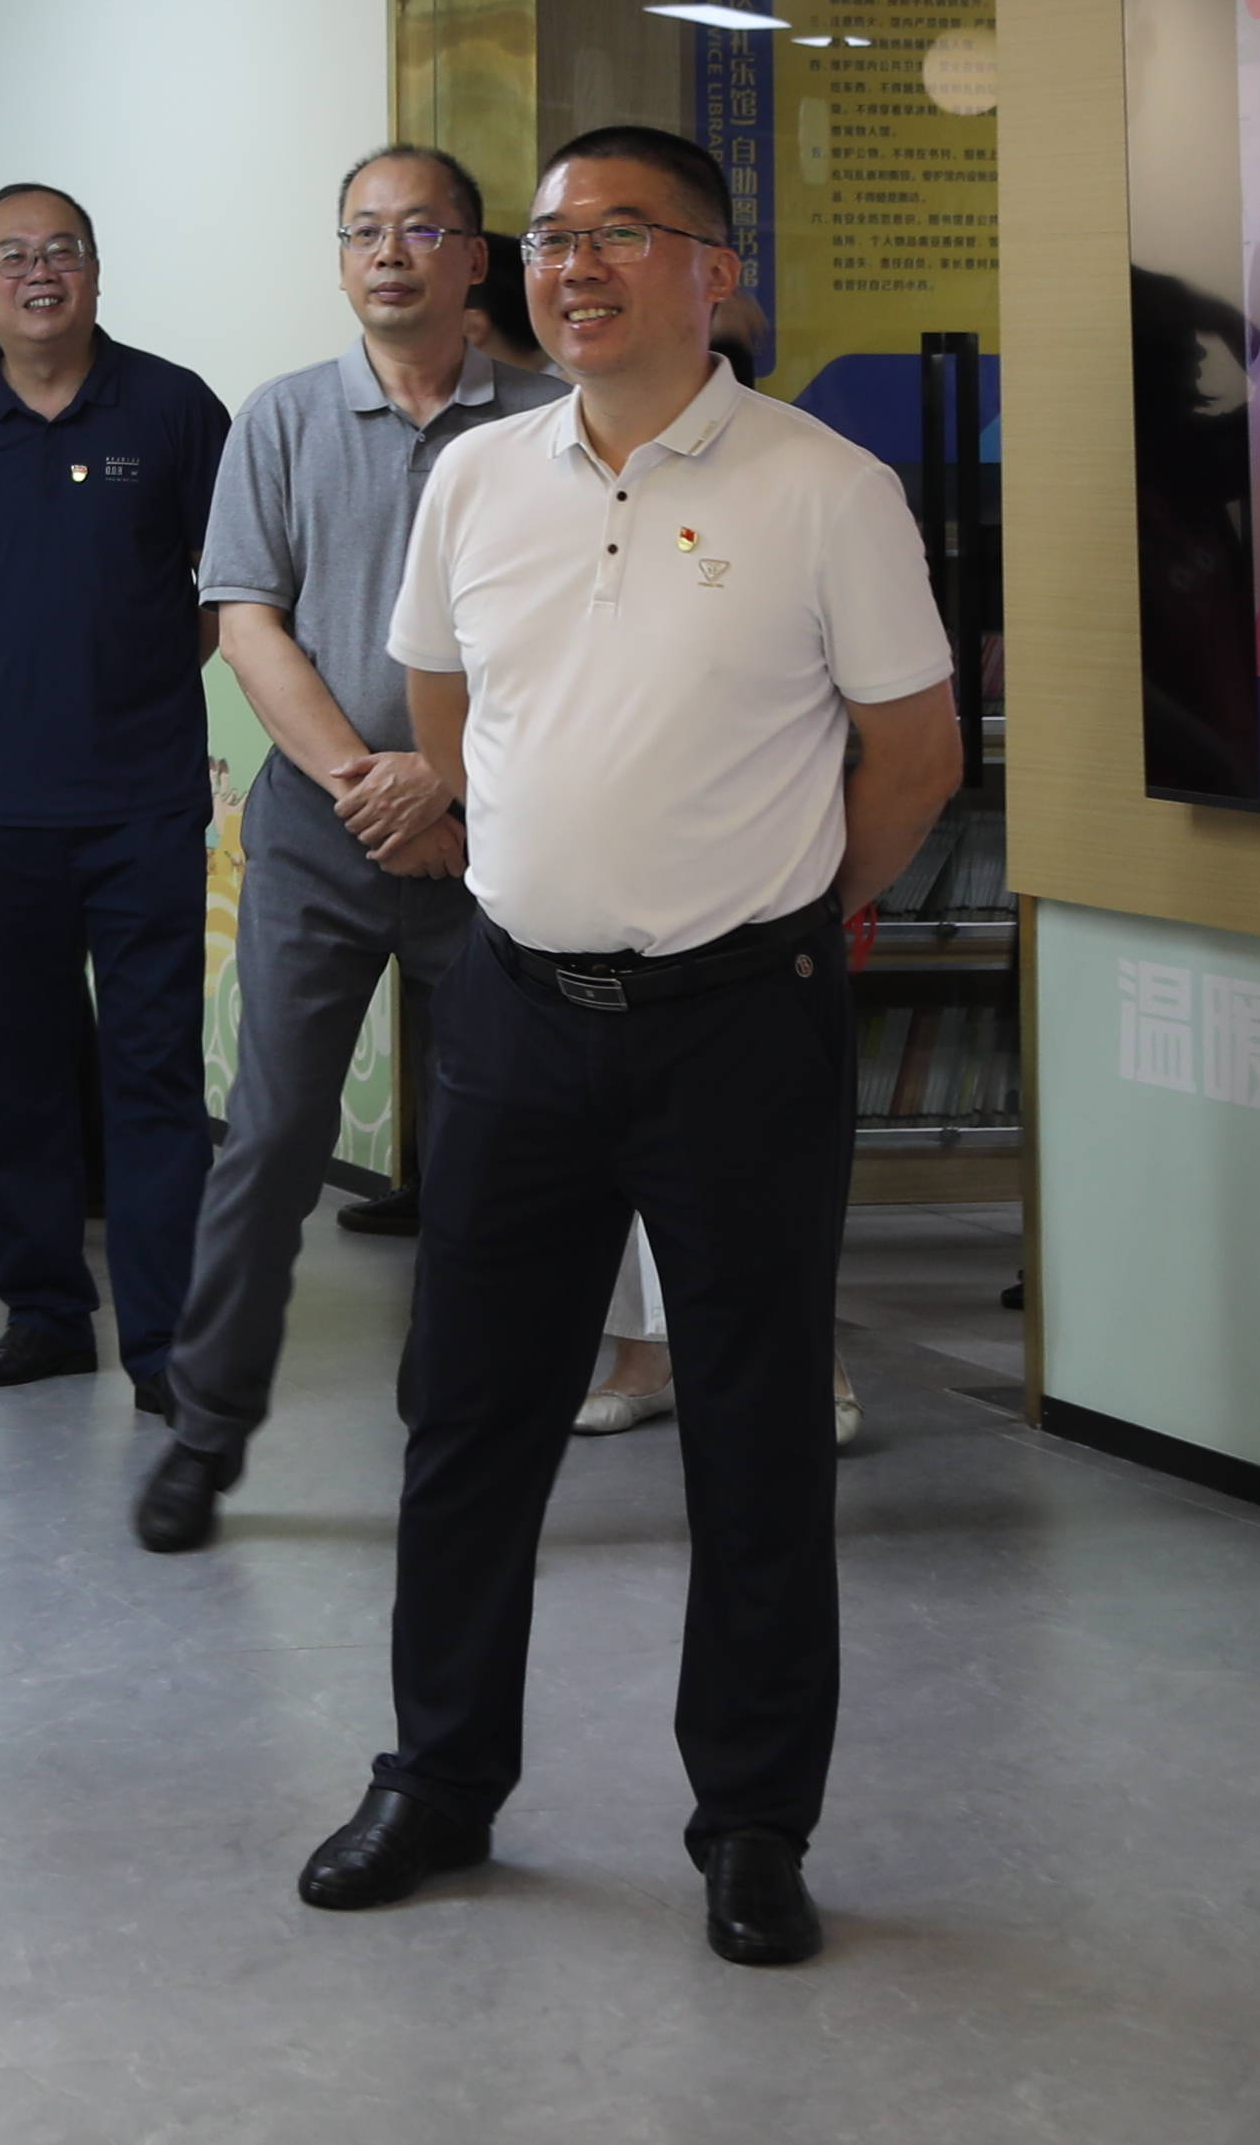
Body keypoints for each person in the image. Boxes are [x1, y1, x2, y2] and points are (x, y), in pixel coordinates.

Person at [302, 125, 964, 1973]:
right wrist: (541, 867)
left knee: (753, 1433)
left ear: (716, 273)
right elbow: (448, 716)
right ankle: (439, 1779)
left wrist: (790, 917)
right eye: (551, 238)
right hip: (517, 1014)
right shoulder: (477, 478)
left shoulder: (824, 486)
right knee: (469, 1418)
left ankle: (753, 1822)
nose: (572, 266)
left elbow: (916, 758)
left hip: (743, 1026)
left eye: (621, 234)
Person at [137, 147, 554, 1550]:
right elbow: (247, 619)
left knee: (492, 1153)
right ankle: (204, 1434)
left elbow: (571, 638)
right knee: (270, 1136)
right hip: (324, 834)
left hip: (495, 837)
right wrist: (374, 785)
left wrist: (447, 782)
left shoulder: (547, 421)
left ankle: (457, 1425)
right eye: (363, 230)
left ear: (473, 258)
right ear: (339, 259)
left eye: (421, 228)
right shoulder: (282, 418)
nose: (389, 252)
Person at [0, 183, 232, 1409]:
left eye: (64, 251)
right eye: (12, 255)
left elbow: (225, 584)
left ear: (96, 274)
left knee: (154, 1075)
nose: (39, 271)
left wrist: (132, 681)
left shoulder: (176, 406)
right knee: (18, 1069)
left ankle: (166, 1343)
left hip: (145, 800)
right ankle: (43, 1313)